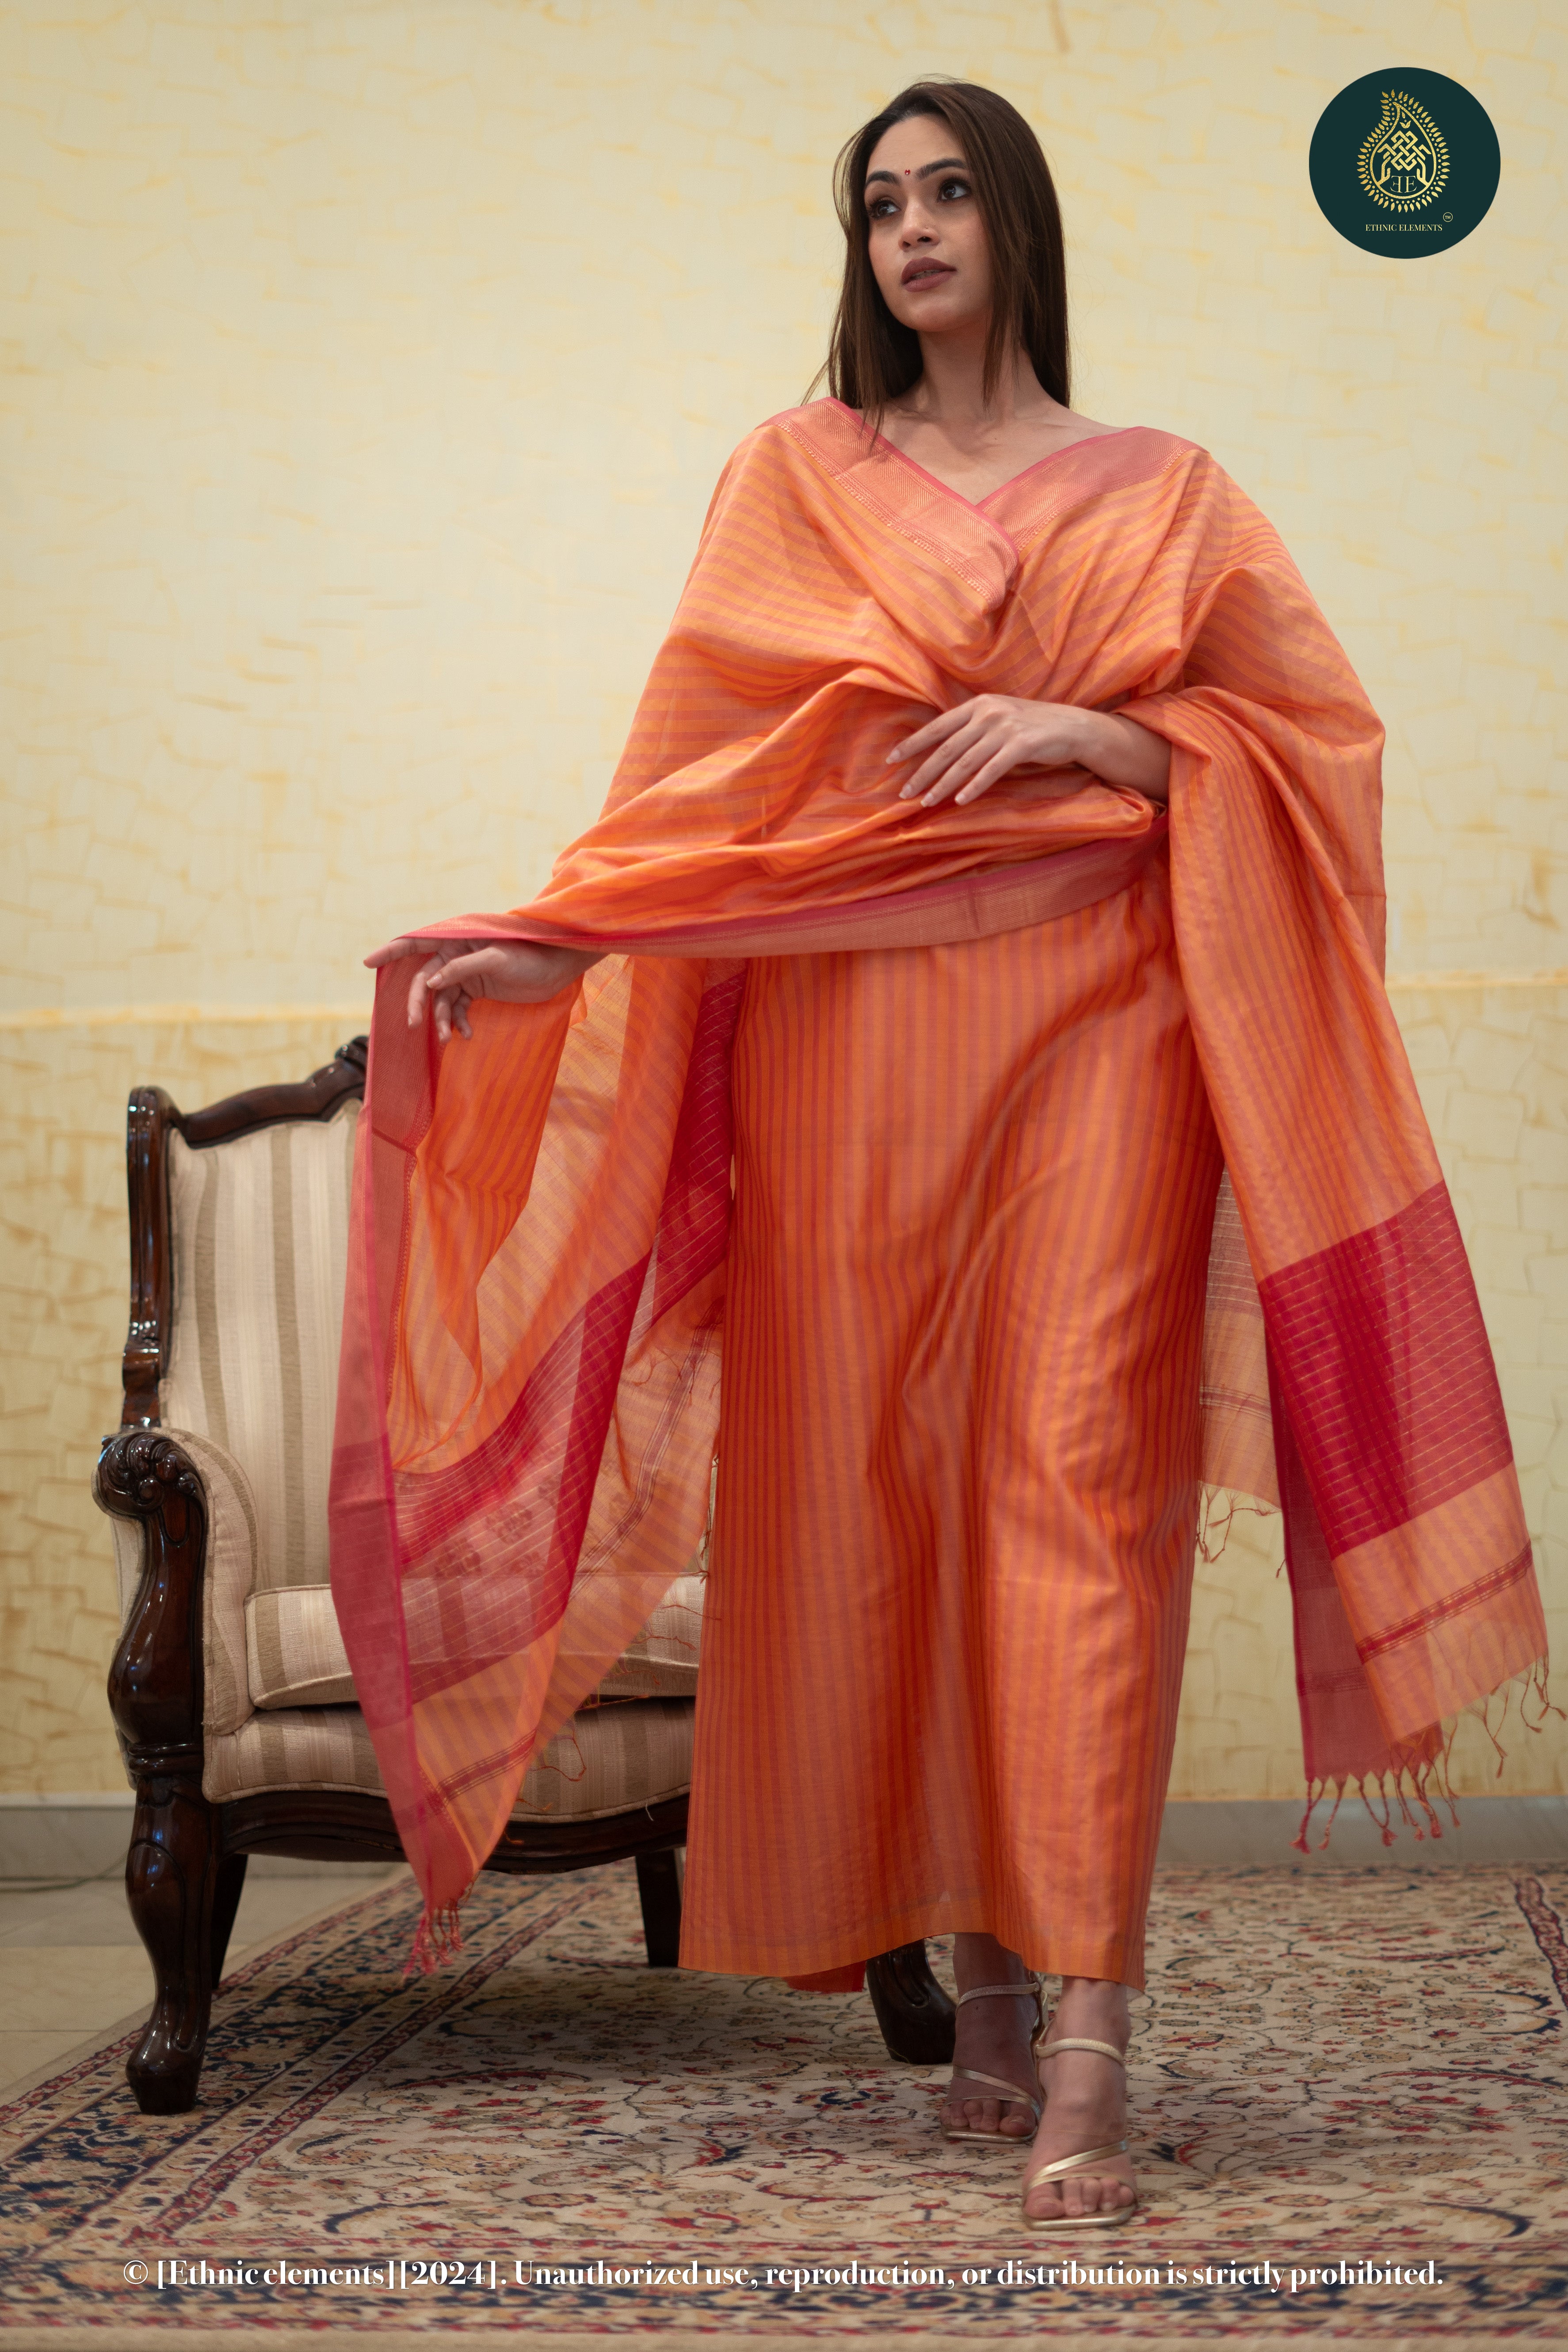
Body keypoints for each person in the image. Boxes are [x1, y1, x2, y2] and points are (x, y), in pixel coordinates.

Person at [333, 81, 1543, 2234]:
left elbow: (1313, 754)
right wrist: (559, 939)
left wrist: (1109, 731)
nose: (910, 229)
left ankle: (1089, 2028)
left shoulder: (1167, 493)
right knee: (877, 1482)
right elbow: (705, 784)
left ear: (1016, 221)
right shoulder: (794, 478)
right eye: (880, 202)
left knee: (1081, 1483)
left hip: (1103, 1021)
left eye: (948, 191)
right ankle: (977, 1974)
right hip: (851, 1040)